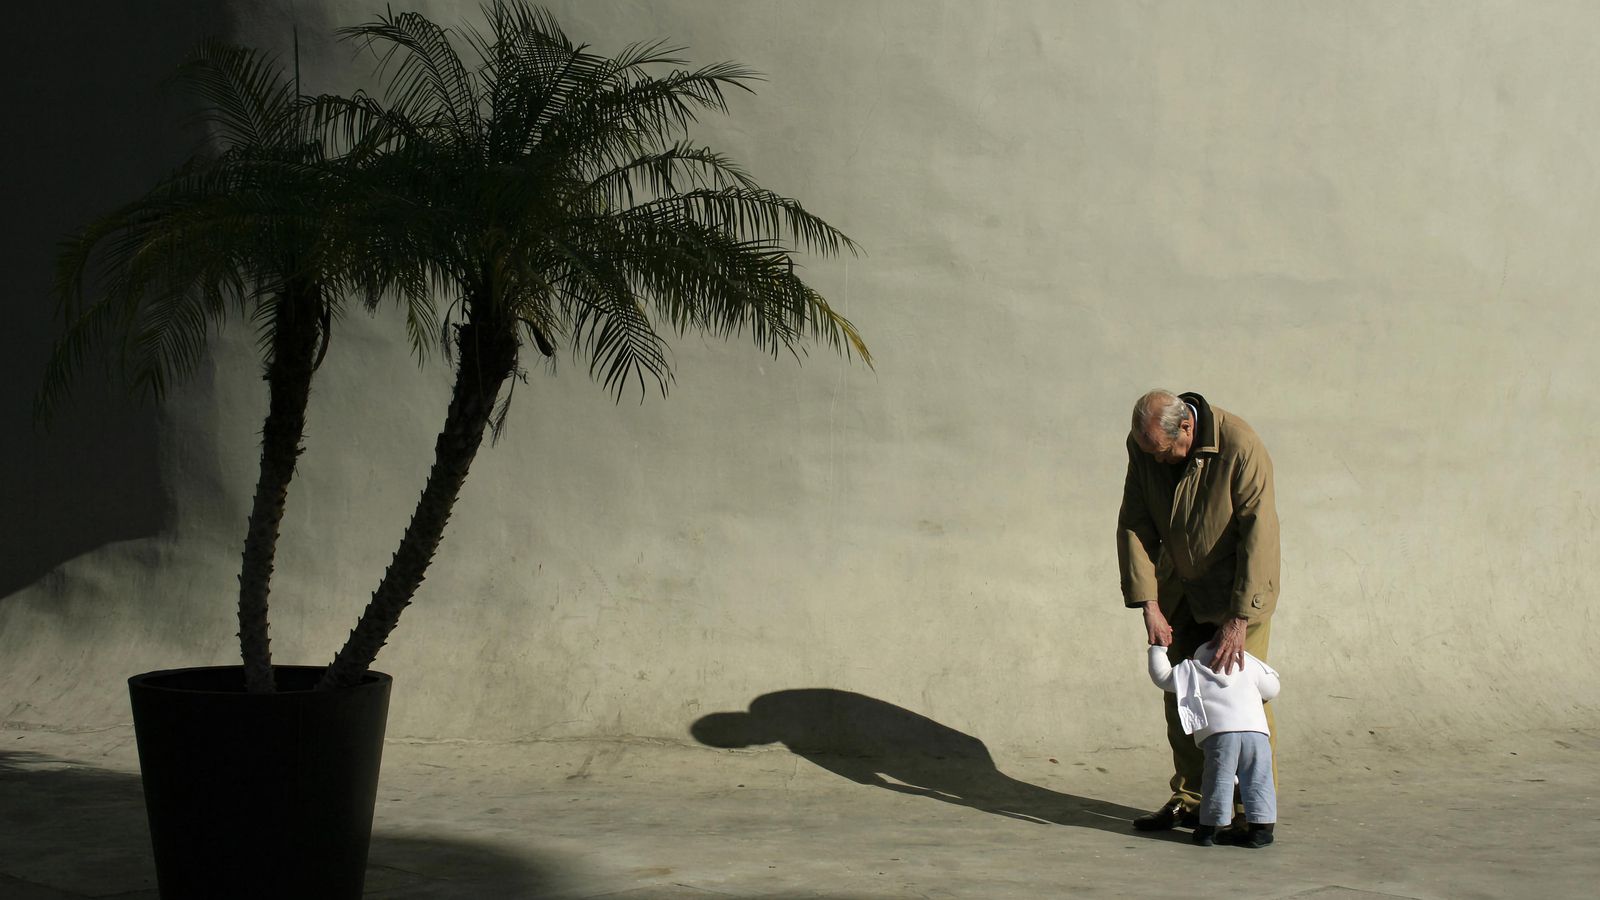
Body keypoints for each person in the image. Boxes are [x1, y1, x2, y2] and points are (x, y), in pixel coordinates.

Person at [1116, 389, 1280, 836]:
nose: (1156, 460)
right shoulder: (1145, 445)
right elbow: (1134, 522)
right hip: (1179, 588)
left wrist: (1240, 618)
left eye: (1162, 452)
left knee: (1242, 701)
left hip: (1236, 592)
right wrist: (1149, 603)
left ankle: (1251, 811)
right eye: (1148, 451)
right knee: (1183, 697)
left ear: (1187, 427)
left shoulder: (1240, 445)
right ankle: (1192, 800)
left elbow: (1260, 536)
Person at [1146, 640, 1280, 847]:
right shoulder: (1248, 666)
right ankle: (1261, 830)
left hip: (1220, 735)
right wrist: (1248, 658)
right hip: (1256, 734)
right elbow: (1272, 688)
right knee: (1259, 778)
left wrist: (1158, 648)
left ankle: (1211, 828)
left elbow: (1162, 677)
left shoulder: (1193, 669)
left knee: (1219, 779)